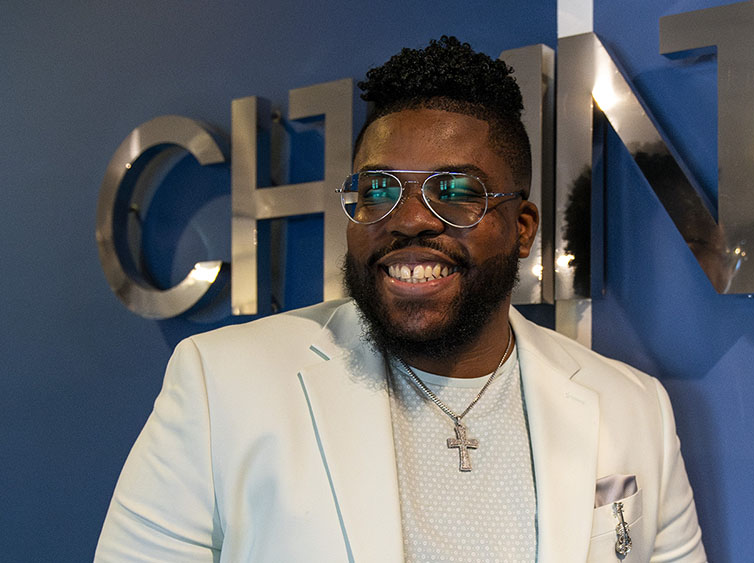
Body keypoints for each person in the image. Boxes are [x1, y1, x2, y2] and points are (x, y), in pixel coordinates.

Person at [95, 36, 705, 562]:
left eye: (456, 190)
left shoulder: (634, 409)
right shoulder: (222, 384)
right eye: (378, 190)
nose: (409, 219)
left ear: (522, 229)